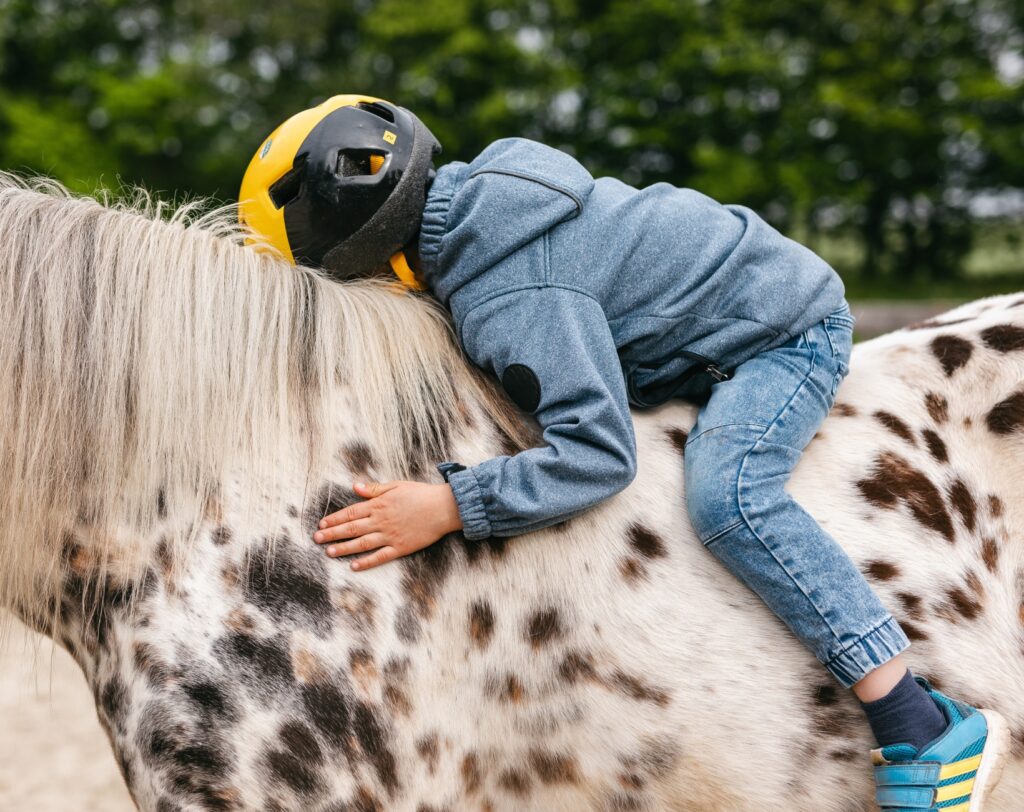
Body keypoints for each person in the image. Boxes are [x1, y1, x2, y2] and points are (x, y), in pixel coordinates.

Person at [238, 94, 1010, 809]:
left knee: (729, 499)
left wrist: (450, 503)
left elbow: (598, 457)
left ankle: (923, 723)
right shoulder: (481, 198)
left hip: (784, 335)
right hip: (726, 303)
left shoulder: (509, 293)